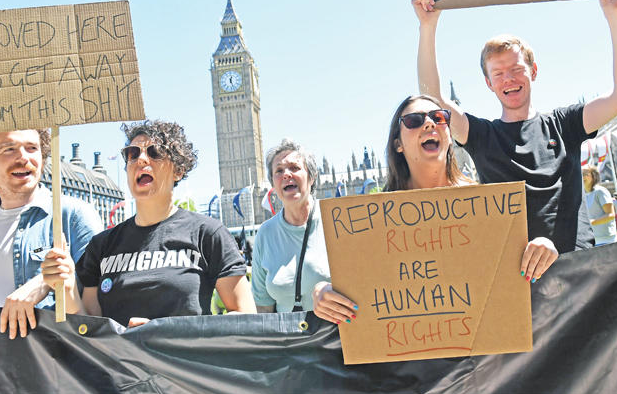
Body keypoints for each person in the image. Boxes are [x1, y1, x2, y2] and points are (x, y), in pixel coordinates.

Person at [413, 0, 617, 260]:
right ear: (488, 83)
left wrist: (615, 15)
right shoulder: (483, 136)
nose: (508, 78)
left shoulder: (565, 124)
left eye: (516, 69)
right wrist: (427, 27)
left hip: (574, 269)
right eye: (498, 73)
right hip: (513, 279)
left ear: (533, 71)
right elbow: (433, 102)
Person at [312, 95, 560, 325]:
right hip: (409, 362)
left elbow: (514, 276)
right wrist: (322, 292)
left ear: (450, 135)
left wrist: (542, 250)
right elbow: (358, 286)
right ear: (398, 144)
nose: (429, 124)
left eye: (439, 117)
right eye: (414, 121)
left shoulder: (487, 207)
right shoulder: (373, 220)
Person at [42, 120, 255, 327]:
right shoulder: (101, 245)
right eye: (132, 154)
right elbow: (91, 327)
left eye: (155, 152)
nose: (141, 160)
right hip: (119, 363)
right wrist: (68, 287)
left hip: (183, 362)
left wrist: (163, 333)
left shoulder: (208, 234)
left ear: (178, 171)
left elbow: (245, 316)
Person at [0, 129, 101, 339]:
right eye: (9, 149)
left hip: (41, 364)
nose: (23, 157)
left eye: (32, 148)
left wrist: (45, 282)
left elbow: (95, 304)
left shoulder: (73, 216)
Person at [251, 139, 331, 313]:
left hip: (335, 337)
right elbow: (263, 306)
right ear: (273, 184)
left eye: (295, 168)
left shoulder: (335, 221)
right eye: (279, 171)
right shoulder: (265, 234)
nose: (286, 174)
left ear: (311, 176)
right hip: (287, 339)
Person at [582, 165, 617, 245]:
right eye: (580, 174)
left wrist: (591, 222)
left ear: (593, 176)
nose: (582, 176)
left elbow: (611, 215)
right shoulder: (582, 195)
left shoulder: (600, 192)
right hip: (591, 240)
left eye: (585, 174)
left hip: (607, 240)